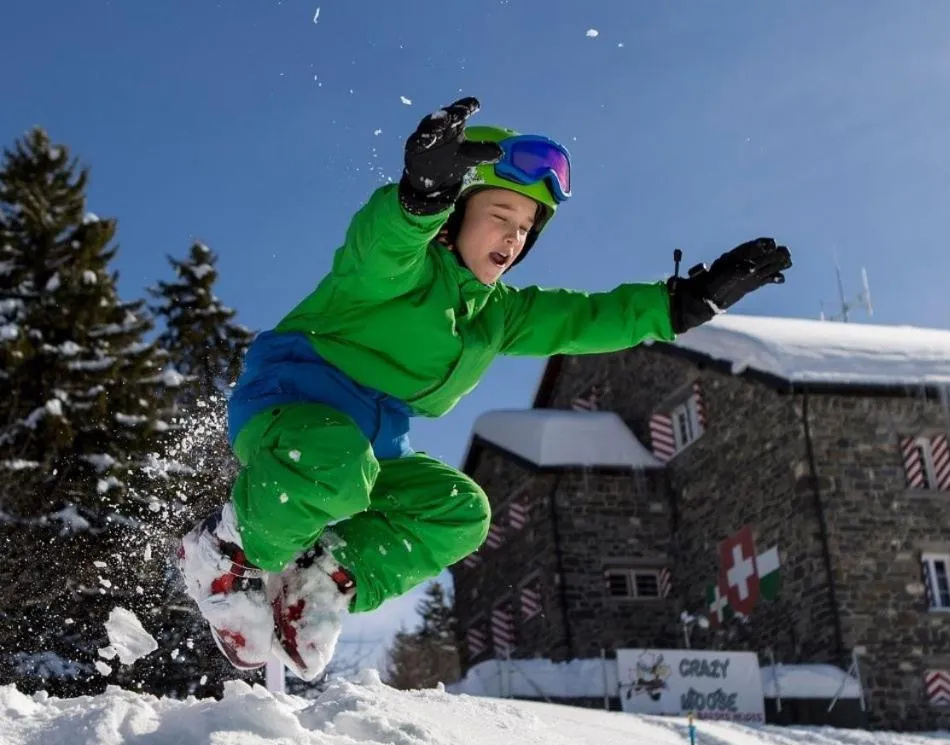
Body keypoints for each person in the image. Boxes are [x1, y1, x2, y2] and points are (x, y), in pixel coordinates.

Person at [177, 96, 792, 681]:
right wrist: (419, 197)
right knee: (335, 461)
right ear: (457, 214)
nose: (513, 238)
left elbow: (585, 318)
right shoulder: (397, 273)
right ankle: (225, 553)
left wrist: (681, 304)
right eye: (500, 216)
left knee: (461, 511)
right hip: (291, 413)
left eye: (526, 228)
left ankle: (322, 582)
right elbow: (380, 244)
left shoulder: (498, 314)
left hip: (368, 451)